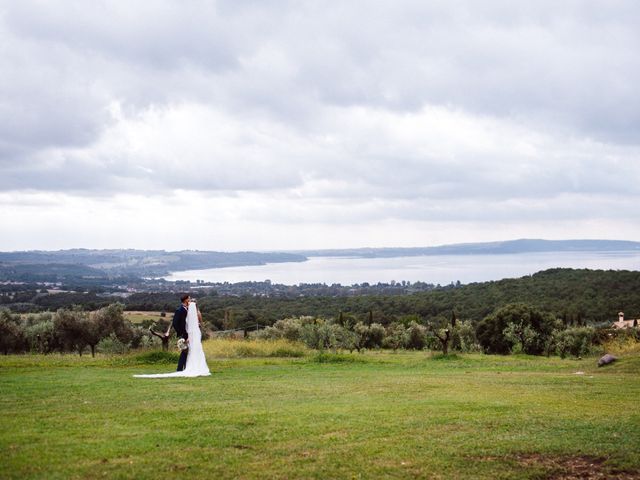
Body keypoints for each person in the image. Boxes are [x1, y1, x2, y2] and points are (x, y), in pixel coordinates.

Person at [133, 296, 210, 378]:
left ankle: (185, 368)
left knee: (188, 352)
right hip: (186, 334)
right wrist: (181, 334)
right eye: (189, 299)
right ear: (186, 300)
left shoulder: (189, 310)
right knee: (185, 352)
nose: (190, 300)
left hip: (190, 334)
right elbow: (176, 323)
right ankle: (181, 369)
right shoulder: (180, 310)